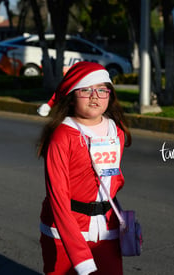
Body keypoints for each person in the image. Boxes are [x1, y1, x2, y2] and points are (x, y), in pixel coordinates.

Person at [36, 61, 132, 275]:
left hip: (107, 230)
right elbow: (58, 197)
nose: (95, 96)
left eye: (101, 89)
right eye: (86, 90)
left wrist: (124, 220)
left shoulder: (116, 132)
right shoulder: (62, 136)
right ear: (71, 96)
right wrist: (80, 255)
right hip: (64, 234)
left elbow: (110, 182)